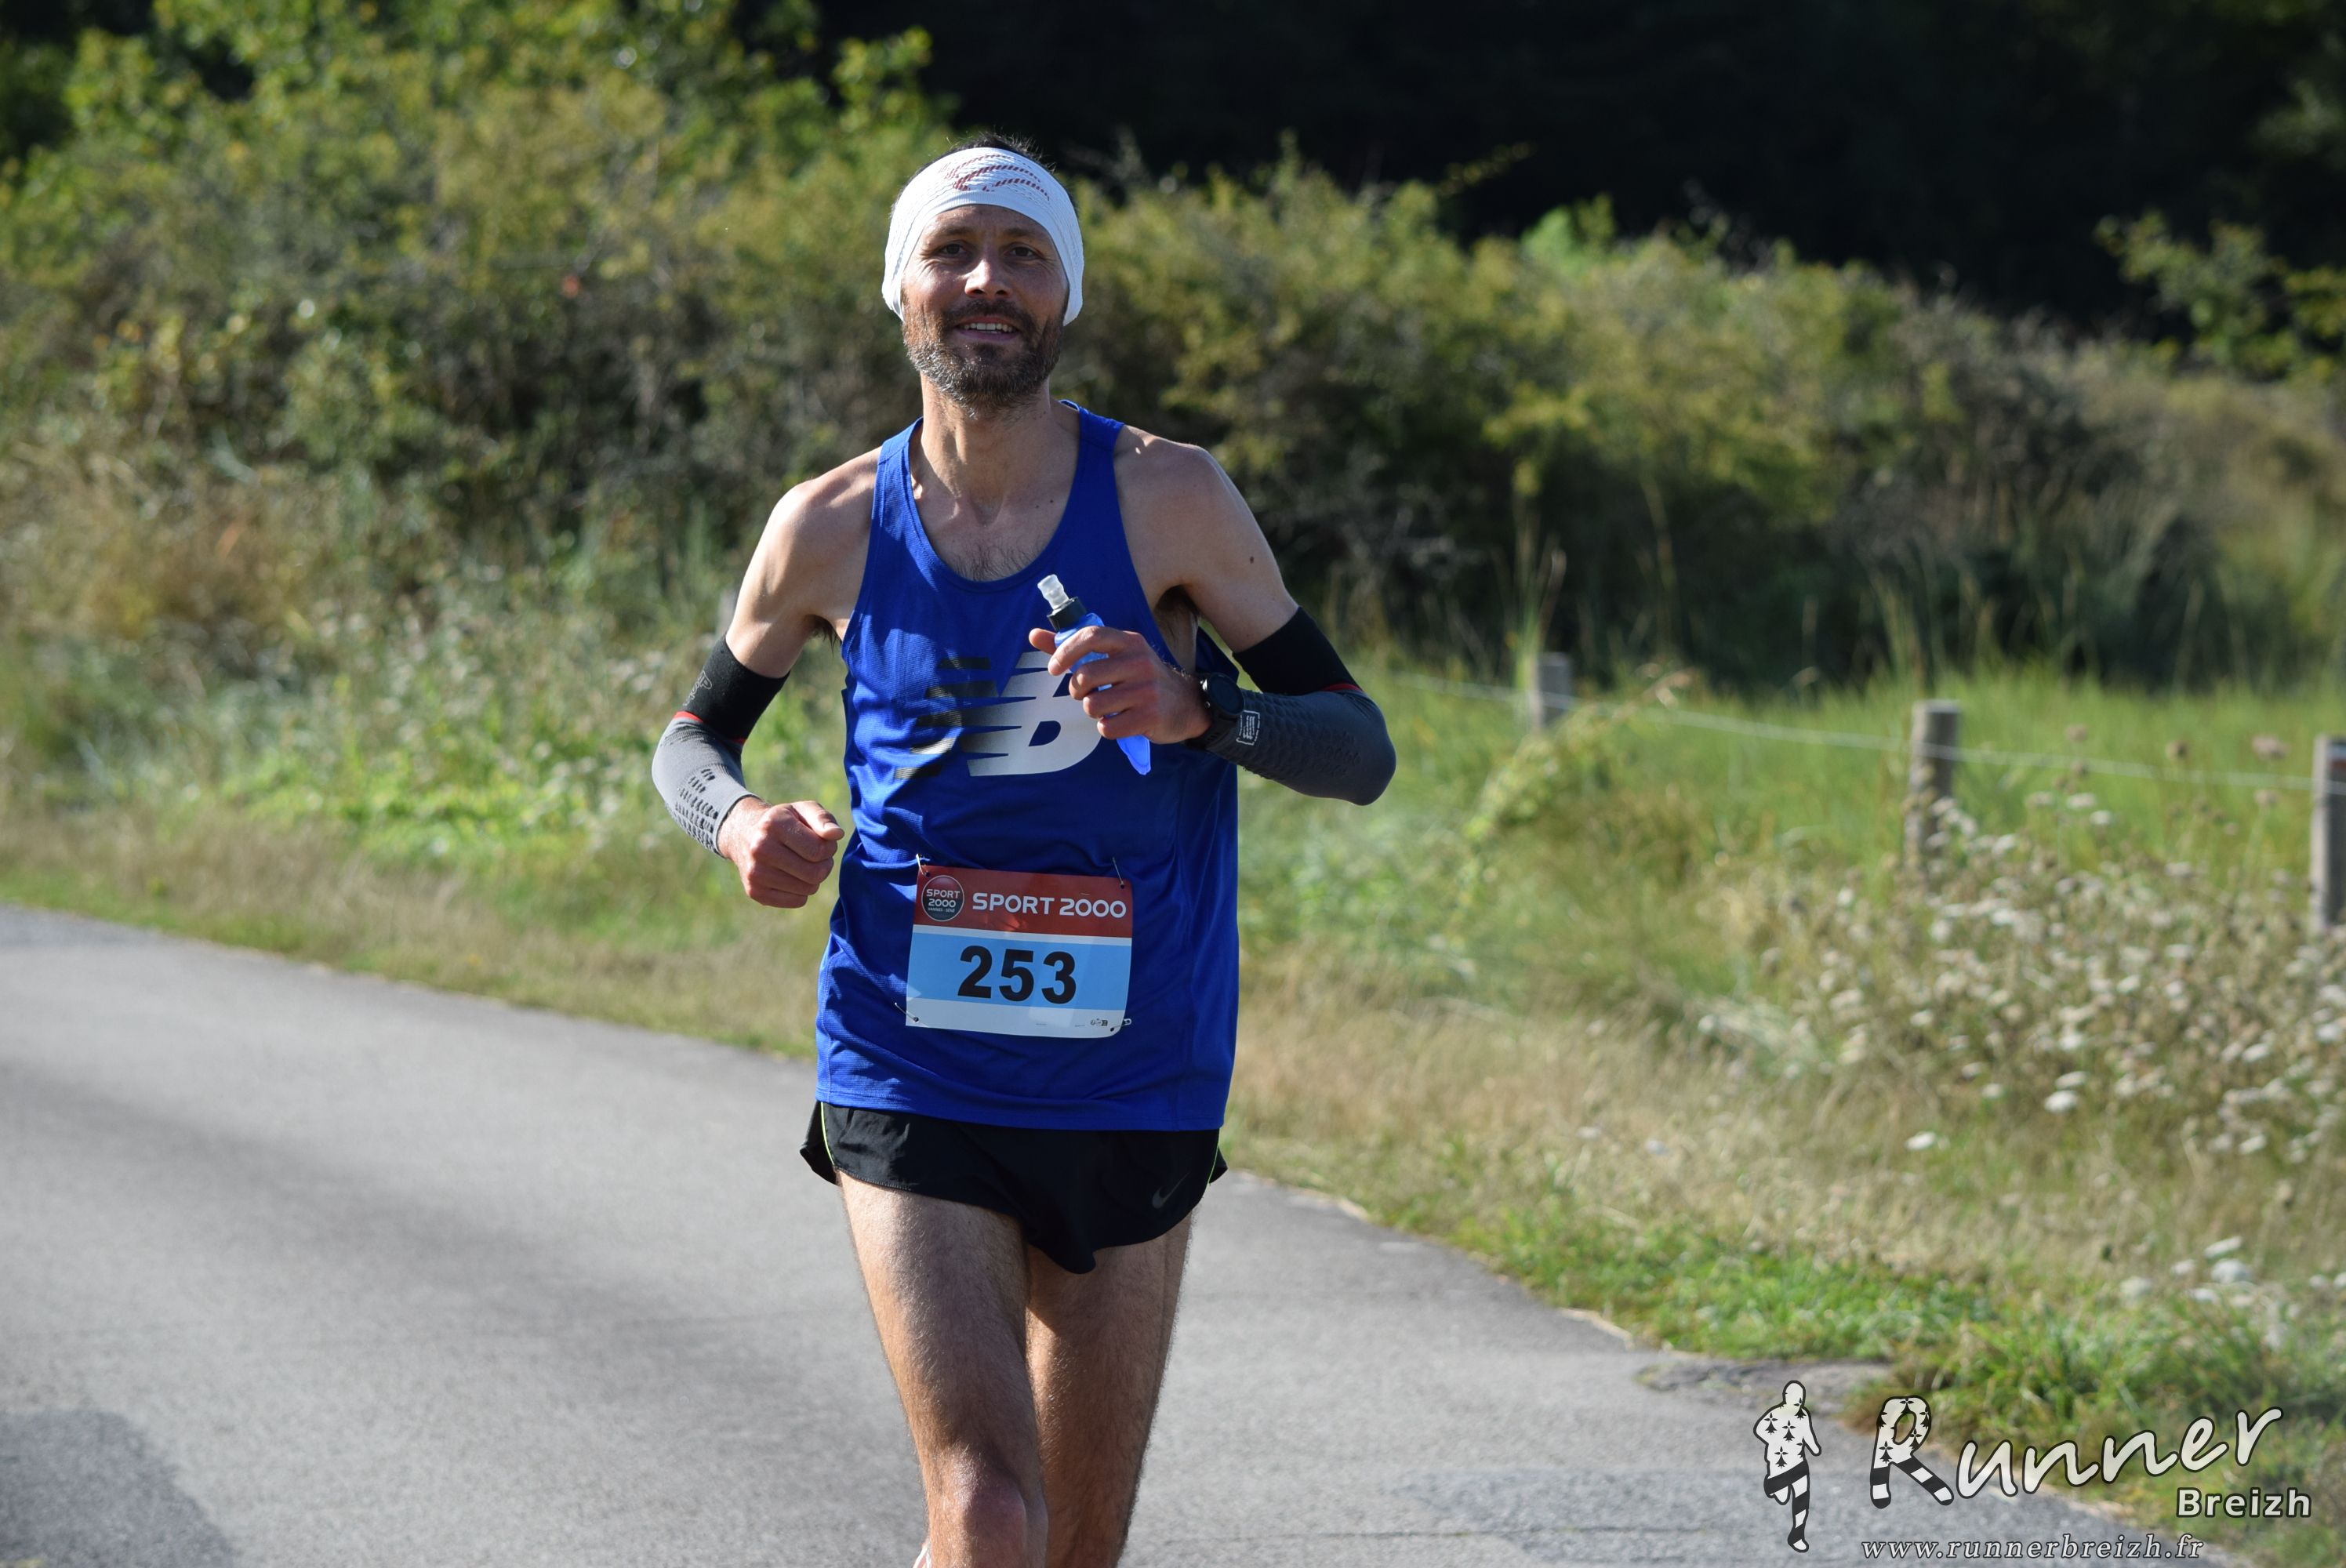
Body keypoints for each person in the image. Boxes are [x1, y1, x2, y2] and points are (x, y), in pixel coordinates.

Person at [651, 134, 1395, 1568]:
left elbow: (1358, 749)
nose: (986, 278)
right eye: (952, 251)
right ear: (901, 289)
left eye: (1023, 254)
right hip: (908, 1052)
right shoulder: (827, 526)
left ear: (1066, 297)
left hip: (1136, 1062)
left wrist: (1202, 709)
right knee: (990, 1513)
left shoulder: (1169, 498)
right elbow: (693, 741)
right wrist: (736, 821)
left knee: (1073, 1548)